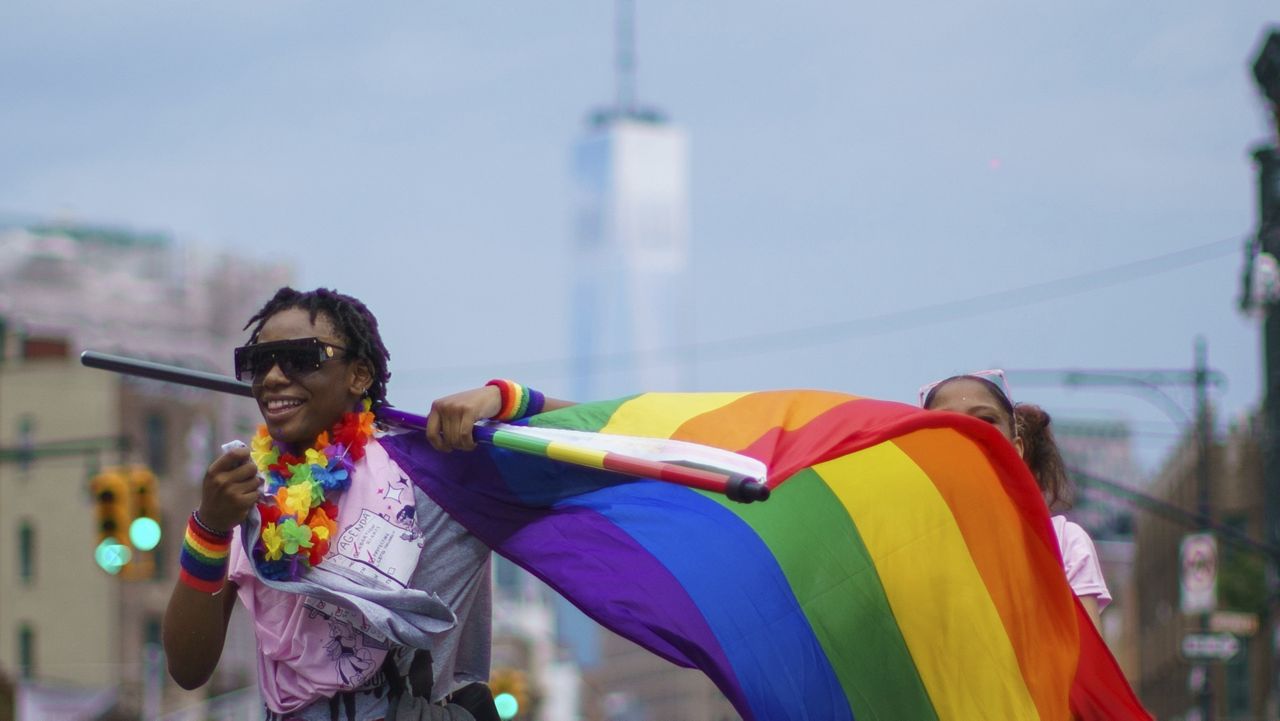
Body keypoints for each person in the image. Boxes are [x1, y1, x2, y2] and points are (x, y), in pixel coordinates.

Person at [163, 287, 499, 721]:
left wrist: (498, 397)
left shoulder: (435, 475)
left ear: (358, 375)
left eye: (301, 358)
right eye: (259, 362)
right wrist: (209, 528)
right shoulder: (253, 492)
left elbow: (600, 437)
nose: (273, 378)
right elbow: (188, 669)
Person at [920, 371, 1111, 628]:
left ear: (1016, 448)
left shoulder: (1063, 542)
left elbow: (1090, 662)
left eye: (986, 420)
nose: (967, 431)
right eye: (945, 424)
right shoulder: (905, 551)